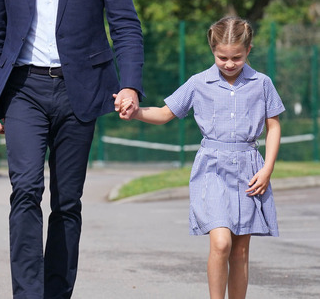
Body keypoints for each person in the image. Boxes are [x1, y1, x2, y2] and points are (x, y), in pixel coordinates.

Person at [0, 0, 144, 298]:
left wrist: (131, 85)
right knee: (26, 190)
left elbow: (125, 25)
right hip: (23, 91)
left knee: (67, 202)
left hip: (80, 91)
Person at [116, 16, 282, 299]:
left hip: (250, 171)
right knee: (221, 243)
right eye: (223, 57)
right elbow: (166, 113)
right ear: (212, 50)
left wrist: (267, 169)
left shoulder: (262, 83)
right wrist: (137, 112)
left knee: (240, 250)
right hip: (212, 170)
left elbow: (274, 126)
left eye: (237, 57)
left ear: (249, 50)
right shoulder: (198, 82)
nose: (229, 64)